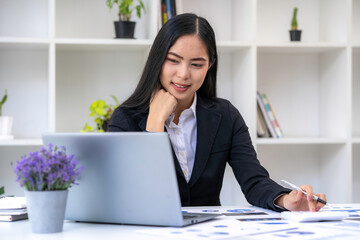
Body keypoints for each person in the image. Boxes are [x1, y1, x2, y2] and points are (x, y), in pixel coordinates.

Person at [109, 13, 326, 212]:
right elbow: (131, 194)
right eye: (173, 60)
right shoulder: (125, 119)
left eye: (196, 64)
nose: (183, 74)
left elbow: (254, 181)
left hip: (208, 233)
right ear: (158, 59)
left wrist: (286, 200)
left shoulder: (226, 116)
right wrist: (155, 123)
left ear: (209, 65)